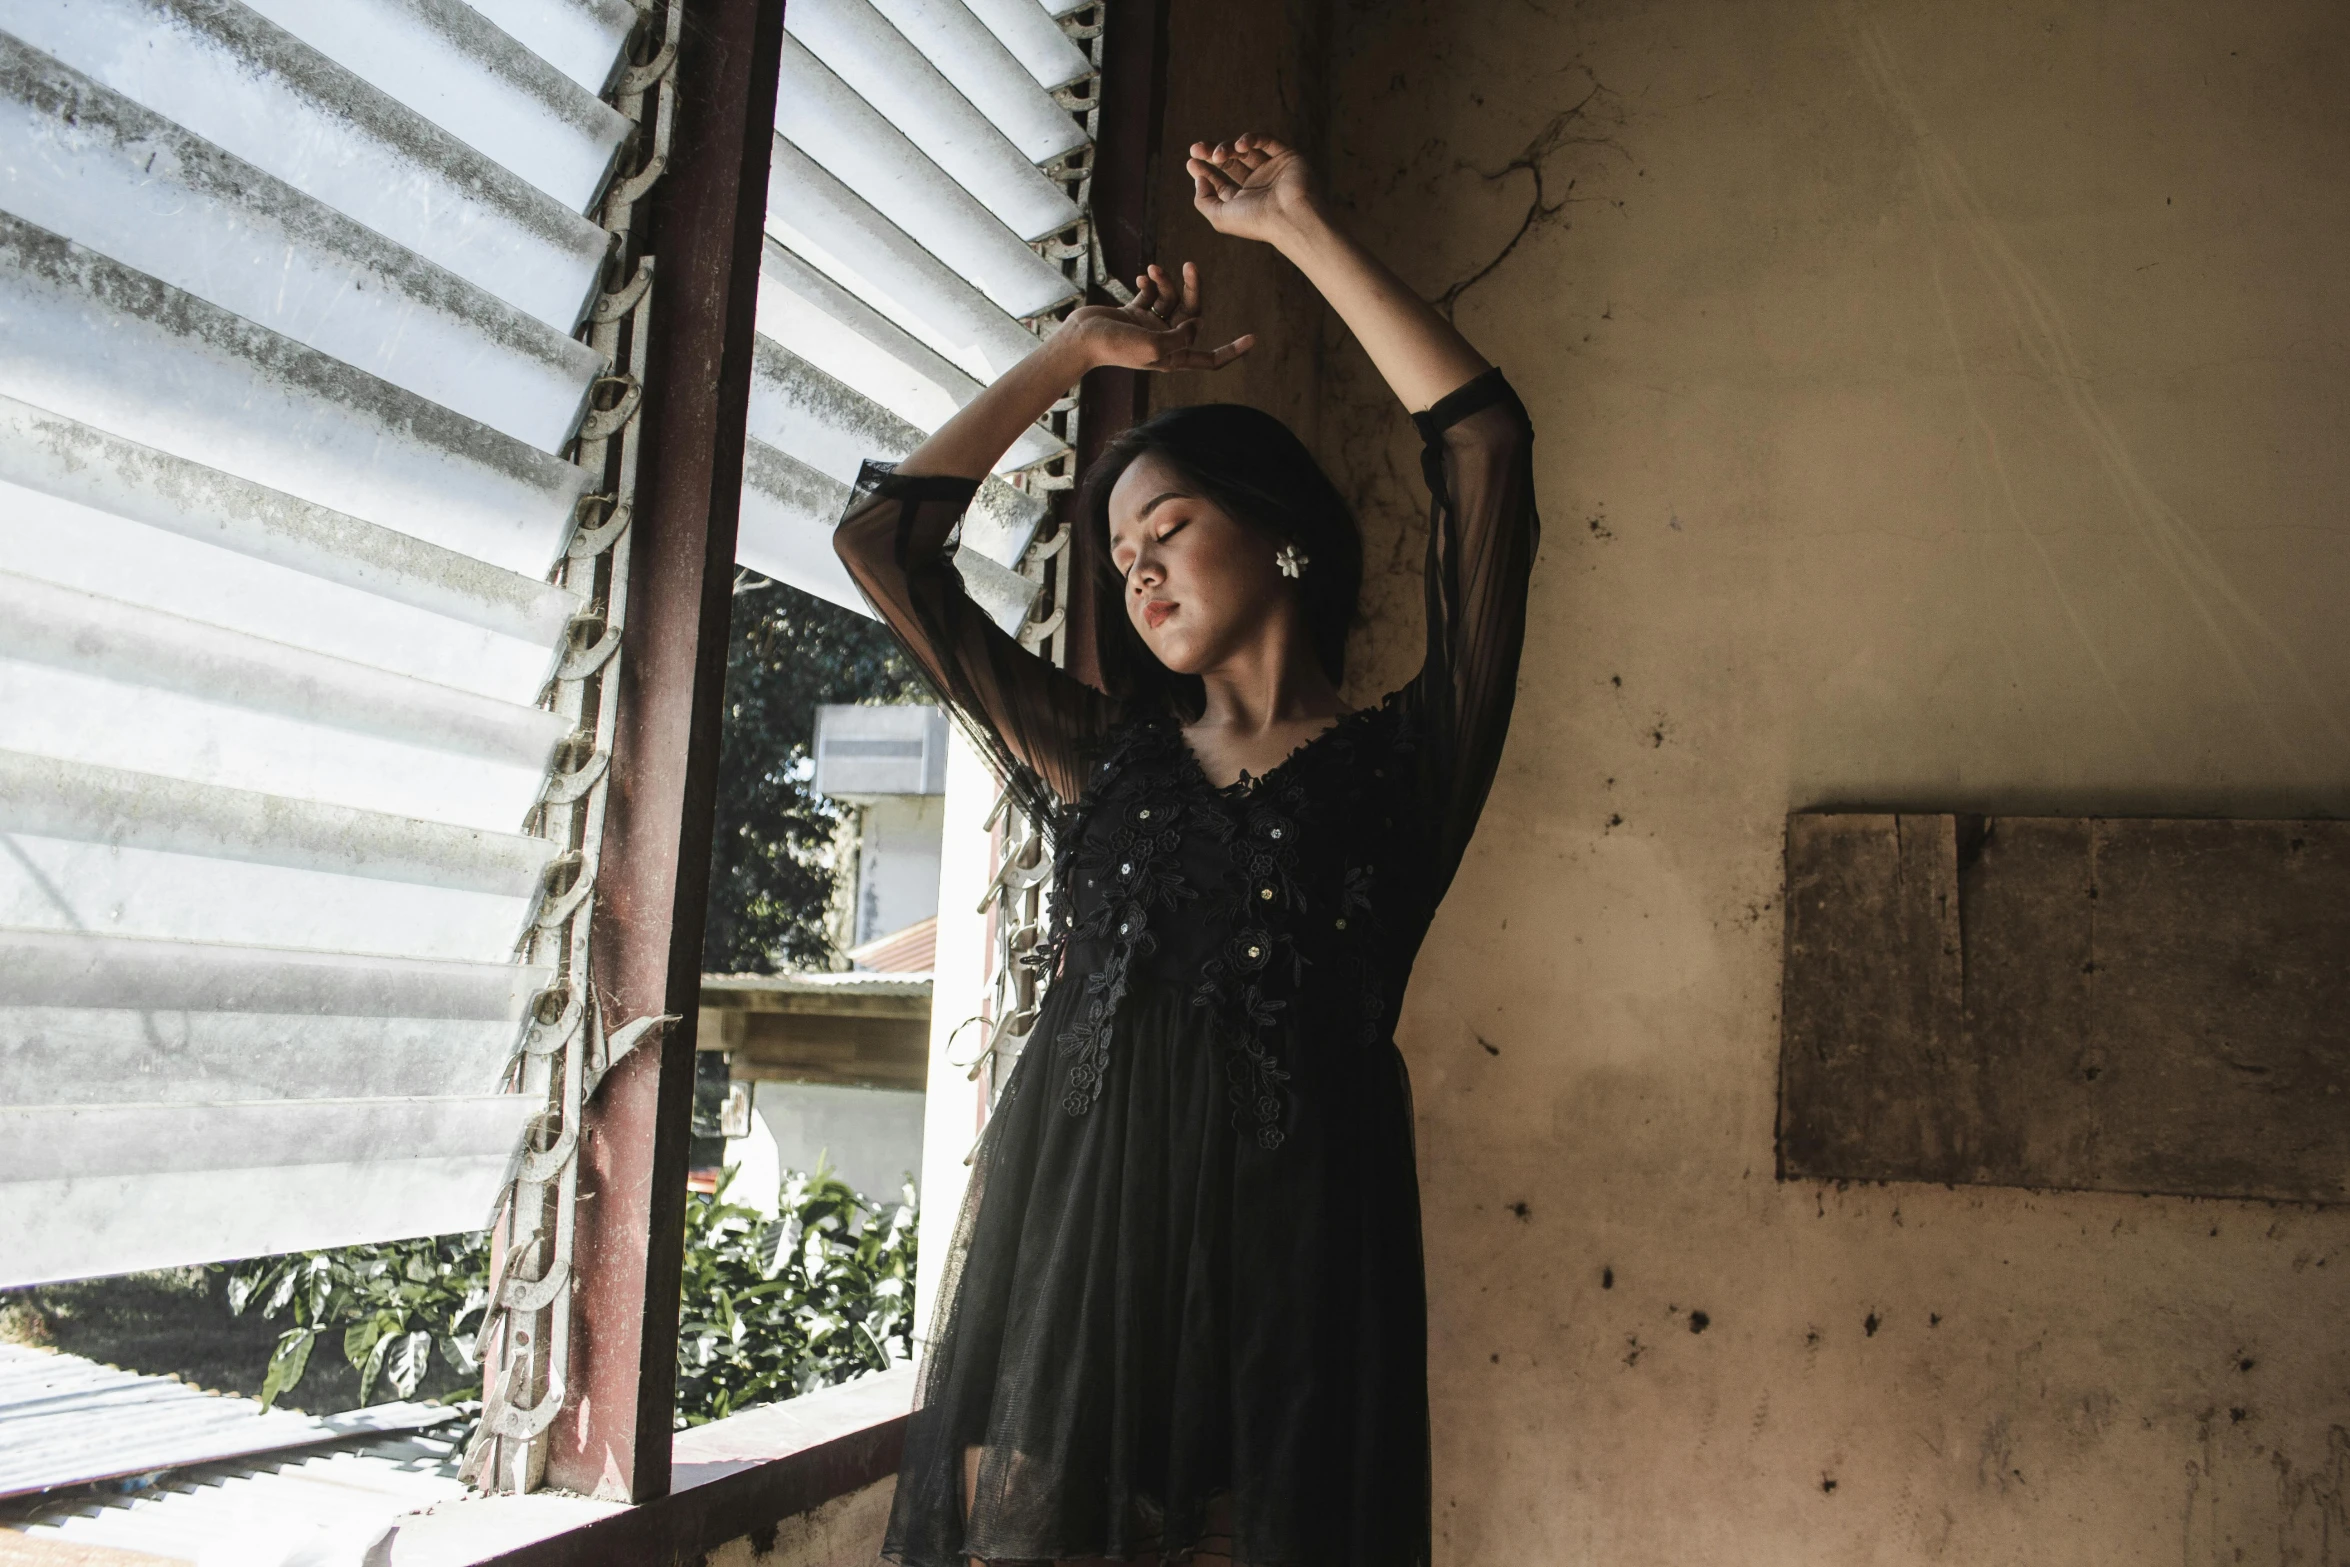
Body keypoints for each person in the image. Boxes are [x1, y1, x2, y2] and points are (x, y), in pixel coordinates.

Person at [835, 131, 1539, 1567]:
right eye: (1116, 557)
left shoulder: (1407, 764)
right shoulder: (1104, 760)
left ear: (1277, 536)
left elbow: (1482, 448)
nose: (1137, 569)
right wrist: (1077, 356)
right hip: (1082, 1260)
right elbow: (884, 548)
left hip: (1297, 1271)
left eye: (1165, 527)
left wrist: (1299, 228)